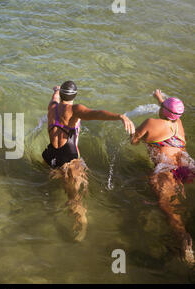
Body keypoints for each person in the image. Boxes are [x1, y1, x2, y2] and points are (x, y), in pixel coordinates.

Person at [43, 81, 135, 241]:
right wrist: (119, 116)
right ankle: (81, 227)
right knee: (75, 198)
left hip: (51, 155)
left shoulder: (52, 107)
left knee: (61, 191)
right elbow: (97, 114)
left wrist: (56, 91)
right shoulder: (74, 109)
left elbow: (55, 98)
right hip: (69, 159)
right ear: (75, 95)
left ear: (61, 95)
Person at [130, 89, 194, 265]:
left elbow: (133, 141)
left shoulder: (151, 122)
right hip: (185, 168)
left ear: (163, 111)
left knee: (169, 212)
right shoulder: (178, 123)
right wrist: (160, 98)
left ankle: (183, 239)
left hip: (166, 171)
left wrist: (133, 131)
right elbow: (169, 114)